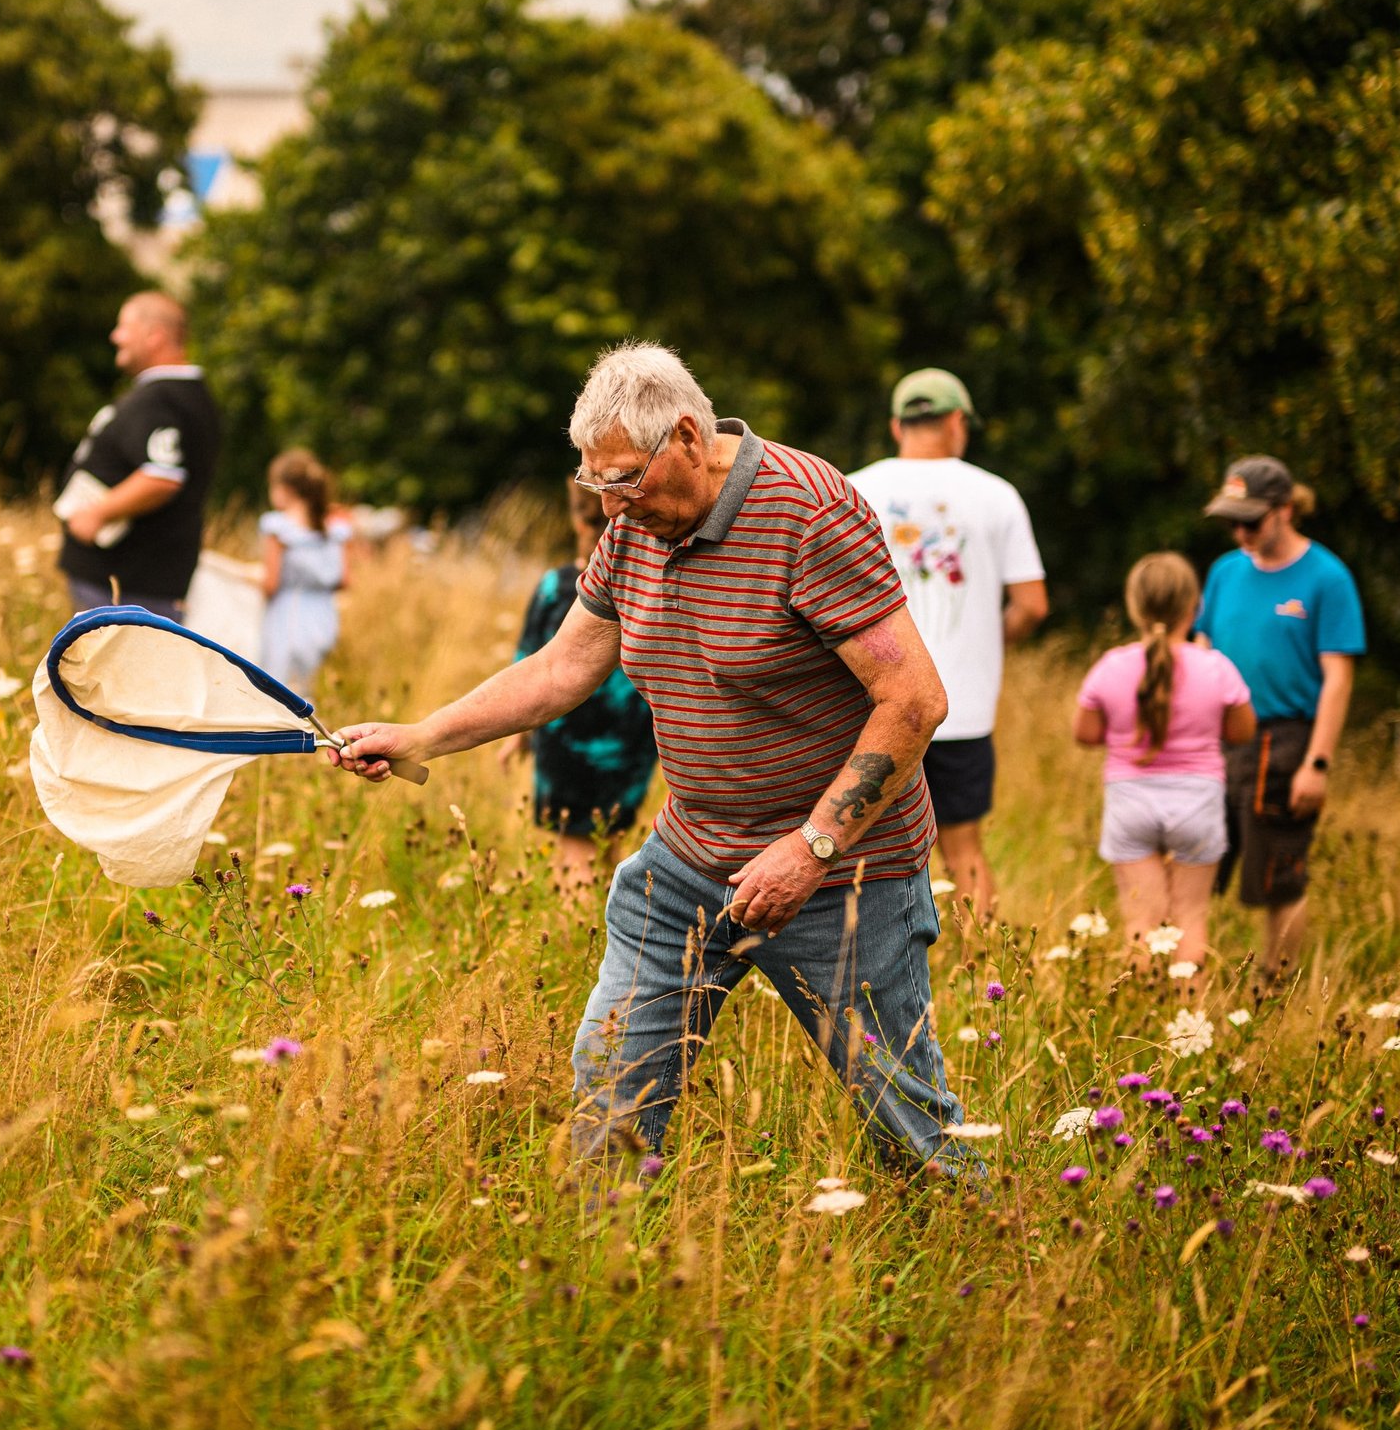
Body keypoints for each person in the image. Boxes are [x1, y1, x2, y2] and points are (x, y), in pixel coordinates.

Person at [332, 344, 971, 1173]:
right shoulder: (632, 525)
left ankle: (982, 1244)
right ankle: (608, 1269)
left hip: (843, 880)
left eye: (627, 478)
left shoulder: (808, 514)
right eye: (598, 484)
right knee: (612, 1095)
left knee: (912, 1132)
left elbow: (914, 698)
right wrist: (421, 735)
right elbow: (564, 666)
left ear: (686, 436)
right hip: (689, 863)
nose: (613, 505)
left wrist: (810, 847)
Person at [845, 368, 1046, 921]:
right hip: (960, 707)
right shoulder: (997, 494)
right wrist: (988, 637)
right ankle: (979, 979)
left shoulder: (851, 487)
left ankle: (866, 970)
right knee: (964, 852)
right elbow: (1032, 605)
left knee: (860, 850)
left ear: (896, 425)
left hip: (871, 707)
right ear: (957, 422)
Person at [1195, 455, 1365, 977]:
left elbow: (1338, 677)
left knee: (1279, 875)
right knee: (1196, 860)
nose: (1240, 532)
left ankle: (1275, 989)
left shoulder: (1327, 577)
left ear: (1286, 510)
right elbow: (1202, 647)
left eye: (1251, 520)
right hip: (1216, 735)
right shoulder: (1225, 571)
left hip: (1286, 740)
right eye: (1232, 521)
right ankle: (1186, 976)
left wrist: (1317, 764)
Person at [1074, 554, 1255, 968]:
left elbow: (1084, 733)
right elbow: (1243, 731)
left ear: (1135, 607)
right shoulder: (1216, 666)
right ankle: (1189, 1027)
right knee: (1191, 918)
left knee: (1141, 923)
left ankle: (1141, 1021)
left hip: (1130, 801)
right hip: (1199, 801)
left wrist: (1124, 735)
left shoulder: (1112, 666)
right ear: (1195, 606)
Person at [499, 483, 661, 900]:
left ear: (576, 518)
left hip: (564, 737)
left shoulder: (557, 586)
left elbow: (528, 661)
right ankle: (607, 925)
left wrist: (517, 732)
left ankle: (575, 937)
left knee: (575, 846)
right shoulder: (644, 583)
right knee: (610, 841)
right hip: (632, 737)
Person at [56, 293, 221, 620]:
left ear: (154, 335)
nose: (115, 336)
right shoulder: (185, 395)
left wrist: (97, 514)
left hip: (126, 581)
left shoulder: (161, 398)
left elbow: (162, 476)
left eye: (124, 326)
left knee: (109, 671)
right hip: (139, 579)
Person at [258, 448, 351, 690]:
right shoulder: (334, 531)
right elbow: (344, 580)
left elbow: (271, 584)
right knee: (308, 690)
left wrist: (251, 580)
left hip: (288, 616)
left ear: (285, 490)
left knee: (278, 689)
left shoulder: (278, 528)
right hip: (324, 619)